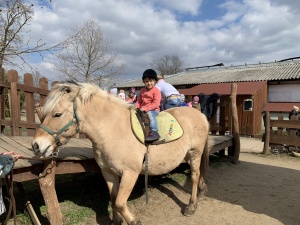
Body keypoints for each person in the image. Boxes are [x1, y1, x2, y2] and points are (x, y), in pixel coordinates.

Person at [136, 69, 161, 142]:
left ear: (155, 82)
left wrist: (146, 108)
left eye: (151, 81)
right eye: (147, 81)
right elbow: (139, 101)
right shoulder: (142, 90)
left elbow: (156, 103)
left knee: (150, 114)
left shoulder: (156, 91)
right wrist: (137, 107)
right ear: (144, 82)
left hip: (153, 110)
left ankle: (154, 131)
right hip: (143, 110)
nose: (149, 83)